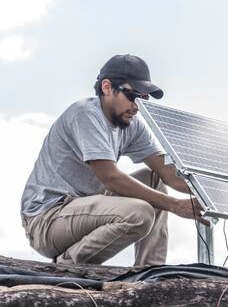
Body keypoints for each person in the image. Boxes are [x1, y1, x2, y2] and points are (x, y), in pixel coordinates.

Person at [20, 54, 209, 266]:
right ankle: (69, 264)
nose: (137, 106)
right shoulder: (85, 114)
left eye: (143, 99)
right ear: (107, 87)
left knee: (152, 178)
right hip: (47, 220)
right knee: (140, 213)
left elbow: (167, 174)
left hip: (84, 209)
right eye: (133, 96)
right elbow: (111, 178)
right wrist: (174, 205)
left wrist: (214, 194)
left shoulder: (132, 125)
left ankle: (151, 272)